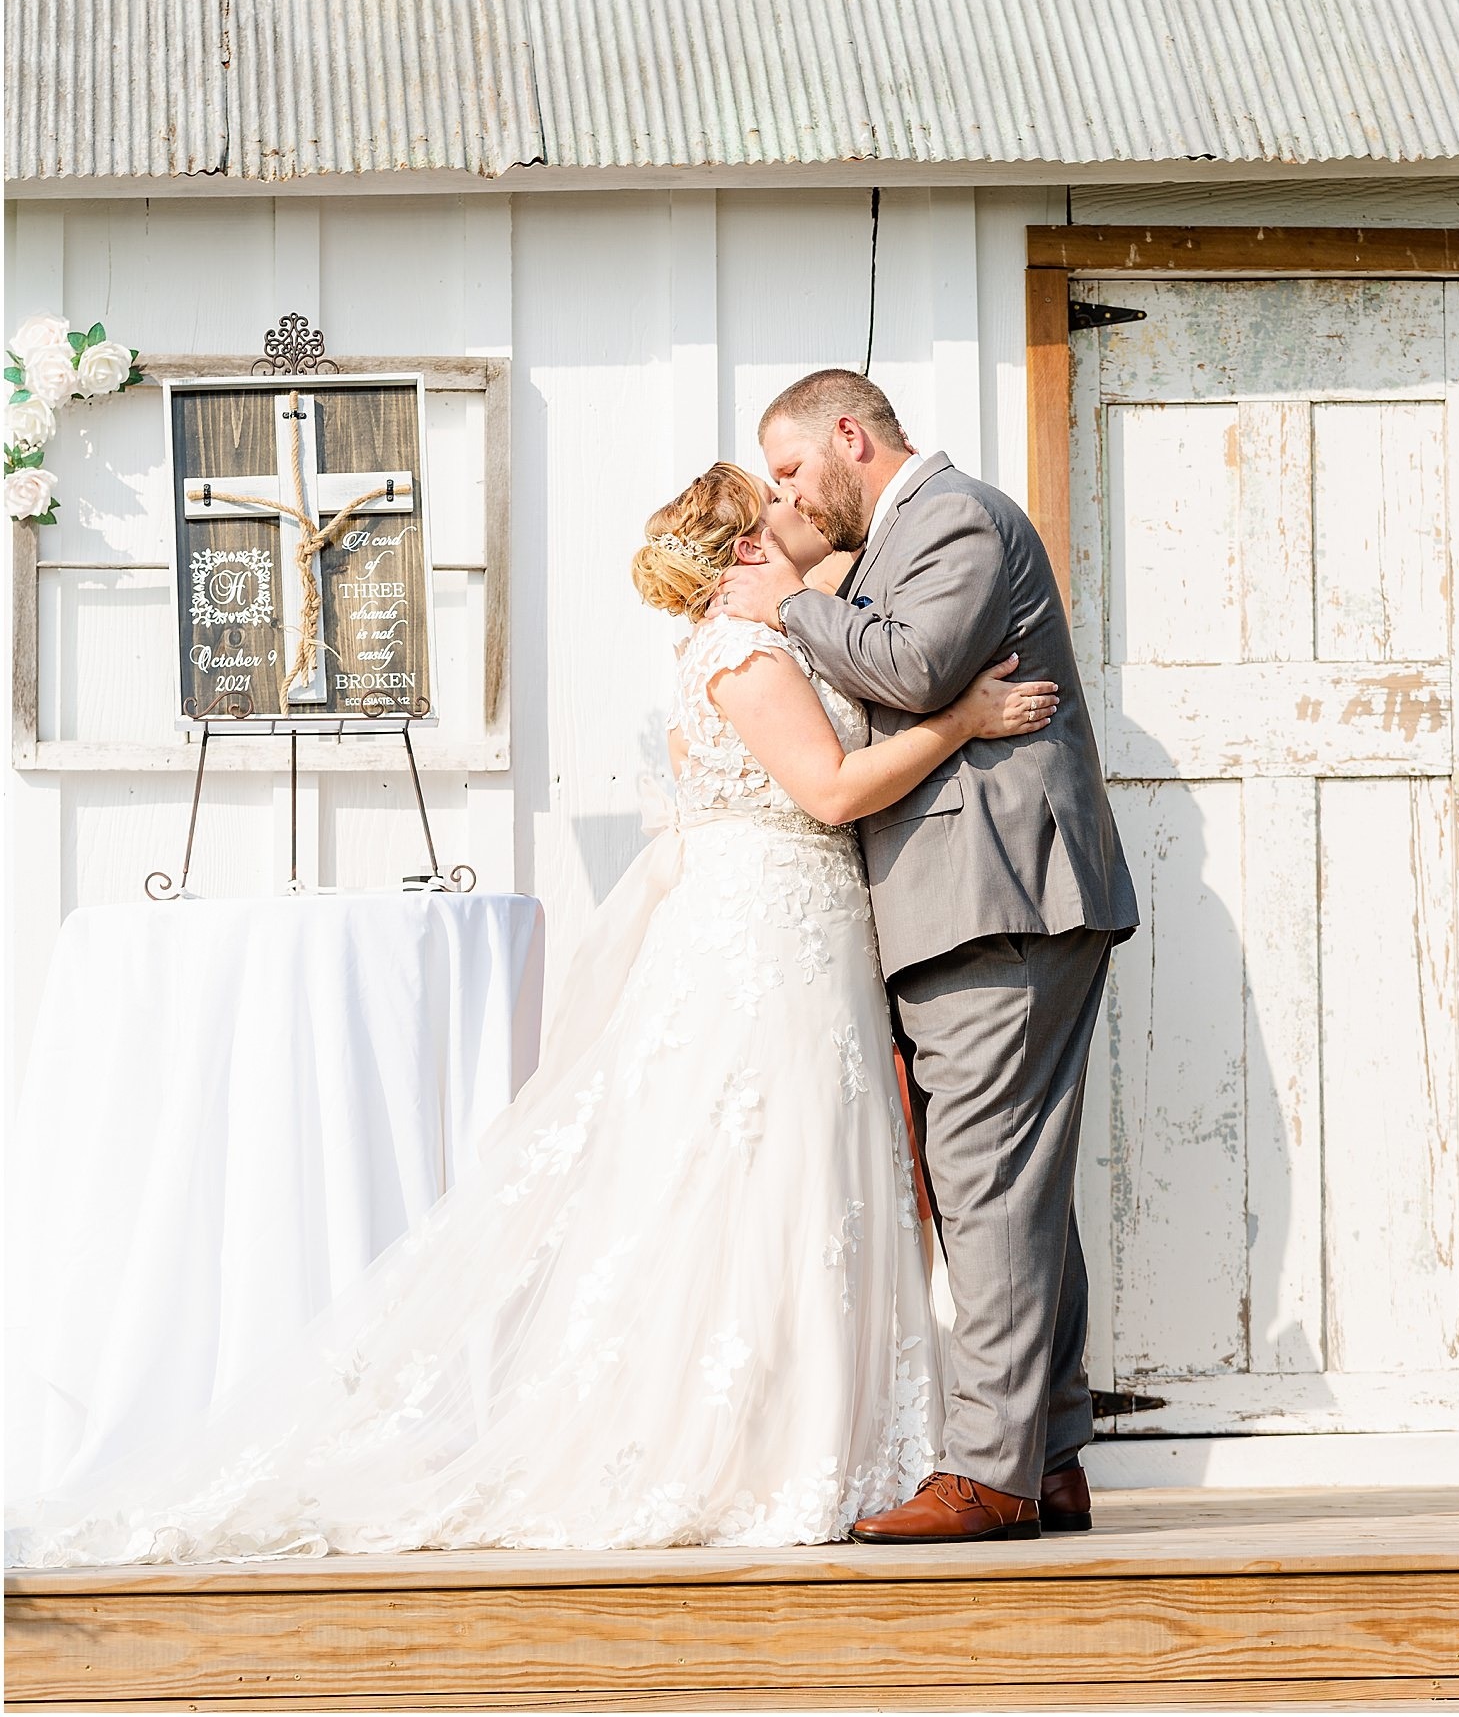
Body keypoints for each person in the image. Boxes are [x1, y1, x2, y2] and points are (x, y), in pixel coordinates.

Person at [7, 464, 1057, 1567]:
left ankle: (805, 1428)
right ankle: (749, 1446)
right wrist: (964, 718)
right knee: (767, 1168)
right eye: (779, 509)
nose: (802, 519)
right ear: (746, 548)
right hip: (771, 933)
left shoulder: (763, 639)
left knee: (789, 1171)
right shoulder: (745, 656)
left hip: (793, 924)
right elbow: (835, 790)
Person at [715, 371, 1138, 1546]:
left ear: (850, 434)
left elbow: (912, 670)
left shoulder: (954, 513)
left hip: (997, 894)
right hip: (990, 894)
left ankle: (990, 1474)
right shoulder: (898, 534)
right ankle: (1048, 1456)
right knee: (1014, 1186)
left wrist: (787, 601)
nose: (791, 495)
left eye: (794, 469)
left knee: (987, 1183)